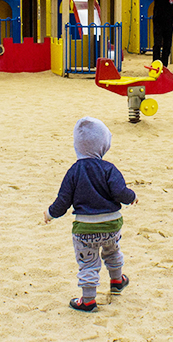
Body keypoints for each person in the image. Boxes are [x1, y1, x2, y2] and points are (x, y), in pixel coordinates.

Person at [43, 116, 138, 312]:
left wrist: (50, 213)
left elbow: (63, 201)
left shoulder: (74, 172)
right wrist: (132, 197)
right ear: (104, 145)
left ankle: (88, 300)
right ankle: (117, 280)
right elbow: (120, 191)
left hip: (85, 229)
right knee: (112, 251)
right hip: (111, 225)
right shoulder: (108, 168)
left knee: (88, 262)